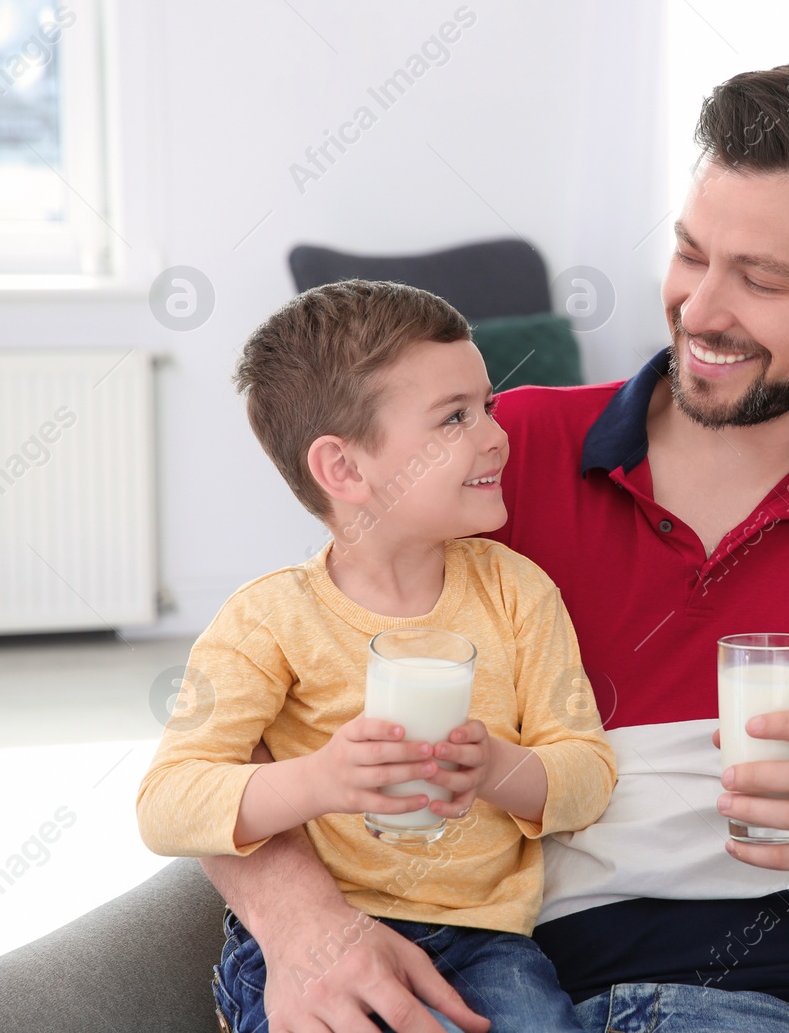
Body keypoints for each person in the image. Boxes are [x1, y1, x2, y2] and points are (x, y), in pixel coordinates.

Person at [199, 62, 789, 1033]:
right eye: (690, 254)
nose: (703, 308)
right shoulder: (500, 456)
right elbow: (241, 726)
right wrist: (304, 928)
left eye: (759, 277)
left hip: (763, 1003)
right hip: (493, 985)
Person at [136, 280, 618, 1033]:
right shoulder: (269, 619)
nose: (496, 434)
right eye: (455, 417)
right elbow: (165, 803)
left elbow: (588, 778)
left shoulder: (520, 595)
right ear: (345, 469)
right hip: (312, 943)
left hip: (490, 947)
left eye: (487, 404)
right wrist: (320, 779)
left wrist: (498, 768)